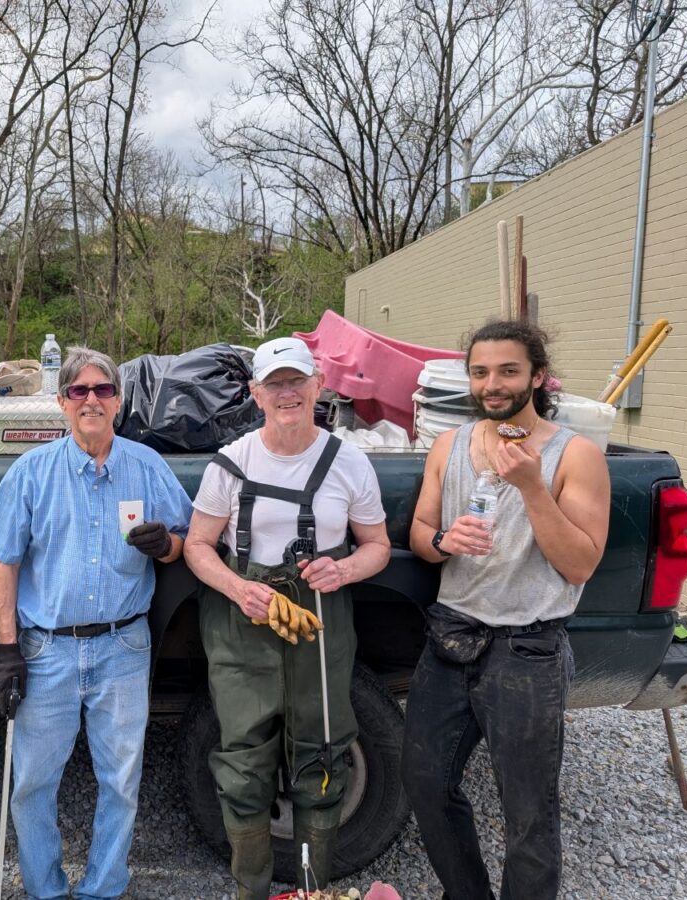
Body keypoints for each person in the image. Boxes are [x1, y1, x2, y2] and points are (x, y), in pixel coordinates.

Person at [0, 345, 192, 900]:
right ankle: (45, 888)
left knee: (121, 780)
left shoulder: (148, 467)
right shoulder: (31, 473)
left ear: (117, 401)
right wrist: (6, 651)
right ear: (62, 402)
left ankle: (103, 887)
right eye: (79, 391)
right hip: (47, 649)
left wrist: (167, 545)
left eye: (103, 389)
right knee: (32, 782)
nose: (91, 400)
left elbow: (188, 541)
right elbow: (4, 564)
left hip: (124, 646)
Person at [403, 320, 611, 900]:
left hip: (528, 649)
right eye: (480, 372)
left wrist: (532, 488)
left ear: (538, 377)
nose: (492, 384)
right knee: (424, 783)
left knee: (528, 812)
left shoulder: (576, 455)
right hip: (451, 636)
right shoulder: (449, 446)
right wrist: (444, 540)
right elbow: (421, 532)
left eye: (508, 371)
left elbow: (580, 565)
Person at [183, 336, 391, 899]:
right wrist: (236, 587)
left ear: (318, 387)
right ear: (256, 394)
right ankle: (251, 891)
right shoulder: (231, 463)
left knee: (322, 755)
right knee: (243, 765)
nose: (287, 393)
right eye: (274, 383)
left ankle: (310, 890)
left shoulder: (349, 463)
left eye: (297, 380)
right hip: (242, 625)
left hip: (321, 622)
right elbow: (197, 546)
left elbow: (377, 546)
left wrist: (343, 570)